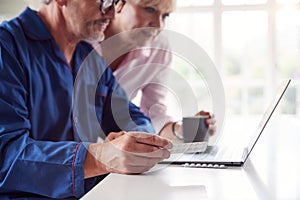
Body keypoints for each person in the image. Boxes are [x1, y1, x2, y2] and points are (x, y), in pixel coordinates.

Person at [0, 0, 173, 198]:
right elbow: (6, 156)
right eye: (105, 2)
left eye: (116, 4)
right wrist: (99, 157)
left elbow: (130, 116)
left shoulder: (89, 57)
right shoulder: (6, 47)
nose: (112, 15)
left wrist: (137, 141)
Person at [98, 0, 215, 139]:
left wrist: (183, 131)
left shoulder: (158, 48)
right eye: (150, 10)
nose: (159, 25)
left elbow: (154, 114)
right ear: (118, 4)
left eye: (165, 15)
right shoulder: (82, 40)